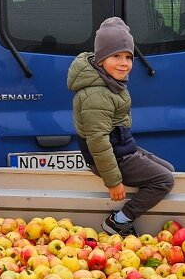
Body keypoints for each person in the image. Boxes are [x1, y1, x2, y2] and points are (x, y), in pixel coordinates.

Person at [67, 16, 175, 235]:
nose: (124, 63)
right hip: (113, 156)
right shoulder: (96, 94)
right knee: (164, 180)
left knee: (168, 169)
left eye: (128, 57)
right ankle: (119, 220)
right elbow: (98, 141)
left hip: (121, 148)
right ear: (100, 59)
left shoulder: (109, 82)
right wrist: (113, 182)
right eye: (116, 56)